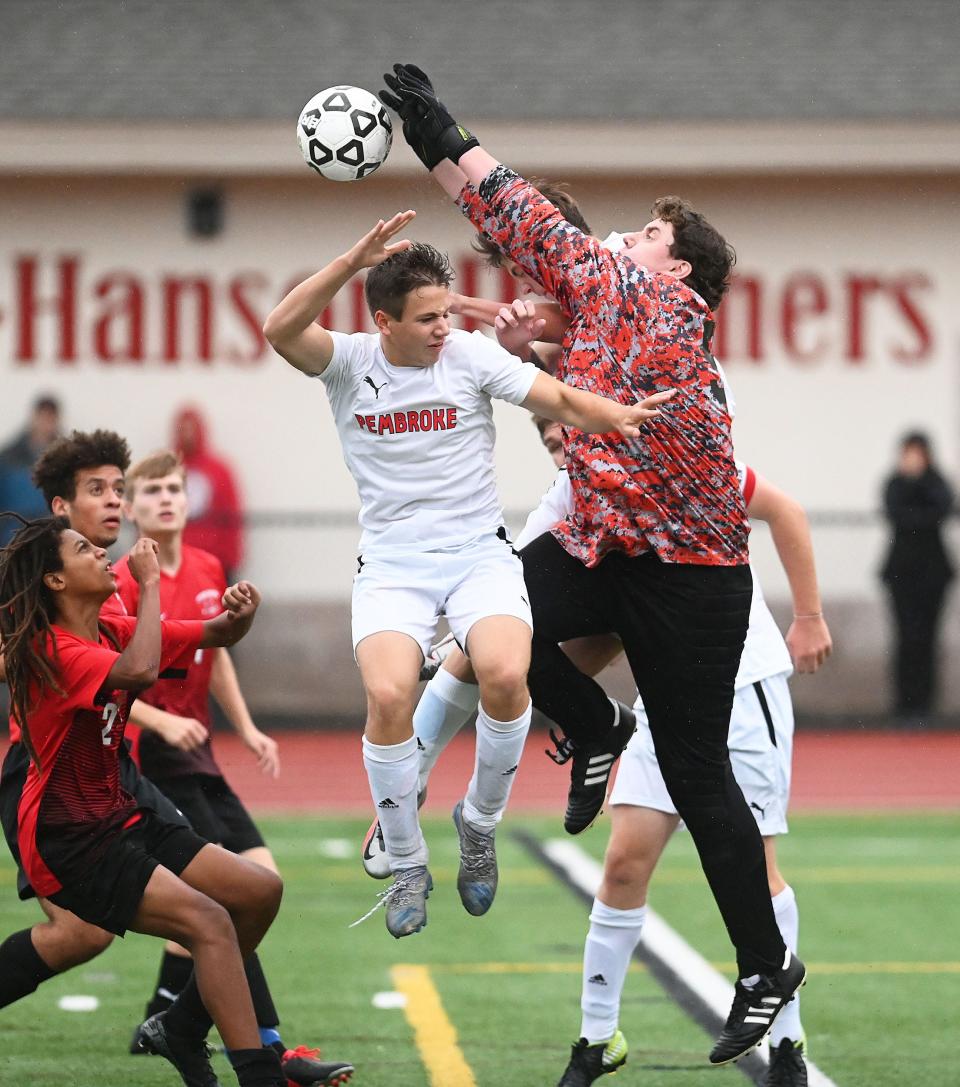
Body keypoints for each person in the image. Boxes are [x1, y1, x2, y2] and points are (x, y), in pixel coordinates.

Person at [380, 63, 804, 1061]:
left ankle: (762, 966)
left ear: (679, 276)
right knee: (499, 618)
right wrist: (440, 141)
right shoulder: (607, 297)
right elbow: (524, 227)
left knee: (701, 779)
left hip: (695, 578)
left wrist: (443, 134)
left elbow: (522, 209)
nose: (631, 235)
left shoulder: (650, 310)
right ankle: (599, 725)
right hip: (611, 551)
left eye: (653, 236)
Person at [262, 211, 671, 938]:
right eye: (426, 318)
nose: (442, 327)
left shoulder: (472, 358)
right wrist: (351, 257)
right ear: (383, 322)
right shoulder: (351, 362)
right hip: (393, 562)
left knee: (506, 675)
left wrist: (625, 416)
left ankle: (478, 827)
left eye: (447, 312)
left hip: (479, 554)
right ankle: (409, 861)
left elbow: (563, 400)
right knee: (389, 692)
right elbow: (280, 328)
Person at [0, 515, 289, 1087]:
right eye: (84, 548)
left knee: (258, 892)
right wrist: (152, 583)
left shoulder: (110, 627)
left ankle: (180, 1027)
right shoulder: (54, 648)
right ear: (55, 582)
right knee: (207, 921)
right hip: (69, 837)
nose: (103, 552)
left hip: (117, 812)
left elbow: (215, 634)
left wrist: (241, 615)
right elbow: (141, 669)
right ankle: (261, 1076)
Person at [117, 449, 354, 1086]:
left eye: (173, 488)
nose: (166, 499)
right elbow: (97, 674)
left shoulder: (207, 564)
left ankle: (168, 1015)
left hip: (200, 757)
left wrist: (246, 727)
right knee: (228, 898)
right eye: (152, 492)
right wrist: (158, 719)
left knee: (255, 885)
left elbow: (214, 653)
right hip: (151, 762)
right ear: (131, 507)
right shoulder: (120, 580)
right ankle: (267, 1048)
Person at [879, 431, 954, 724]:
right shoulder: (895, 483)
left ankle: (926, 705)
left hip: (933, 573)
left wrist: (921, 479)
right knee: (904, 638)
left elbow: (941, 509)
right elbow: (897, 514)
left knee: (927, 638)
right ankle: (904, 704)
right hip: (900, 572)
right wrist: (910, 483)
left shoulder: (936, 482)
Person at [173, 406, 245, 583]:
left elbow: (232, 516)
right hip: (176, 561)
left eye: (192, 428)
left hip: (215, 561)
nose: (188, 435)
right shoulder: (166, 468)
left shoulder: (219, 470)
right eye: (183, 429)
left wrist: (231, 557)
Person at [0, 396, 61, 546]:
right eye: (43, 417)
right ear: (34, 417)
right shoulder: (9, 457)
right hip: (12, 532)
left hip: (50, 532)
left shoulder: (64, 458)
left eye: (50, 418)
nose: (46, 424)